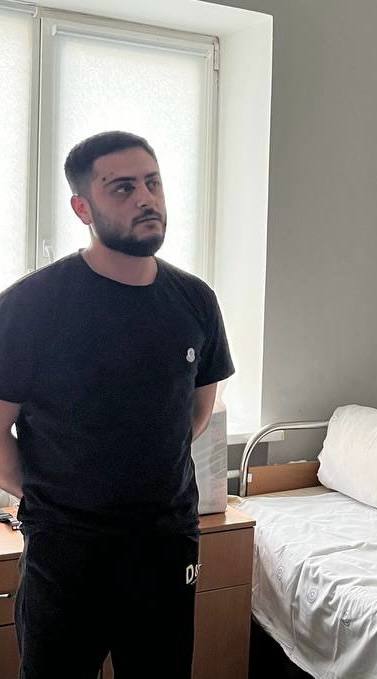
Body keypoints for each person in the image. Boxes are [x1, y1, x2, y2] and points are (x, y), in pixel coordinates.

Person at [0, 131, 234, 678]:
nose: (146, 199)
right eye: (123, 188)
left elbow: (196, 410)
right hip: (66, 550)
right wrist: (52, 496)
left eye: (153, 183)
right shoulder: (30, 306)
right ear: (82, 207)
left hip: (165, 544)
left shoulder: (195, 300)